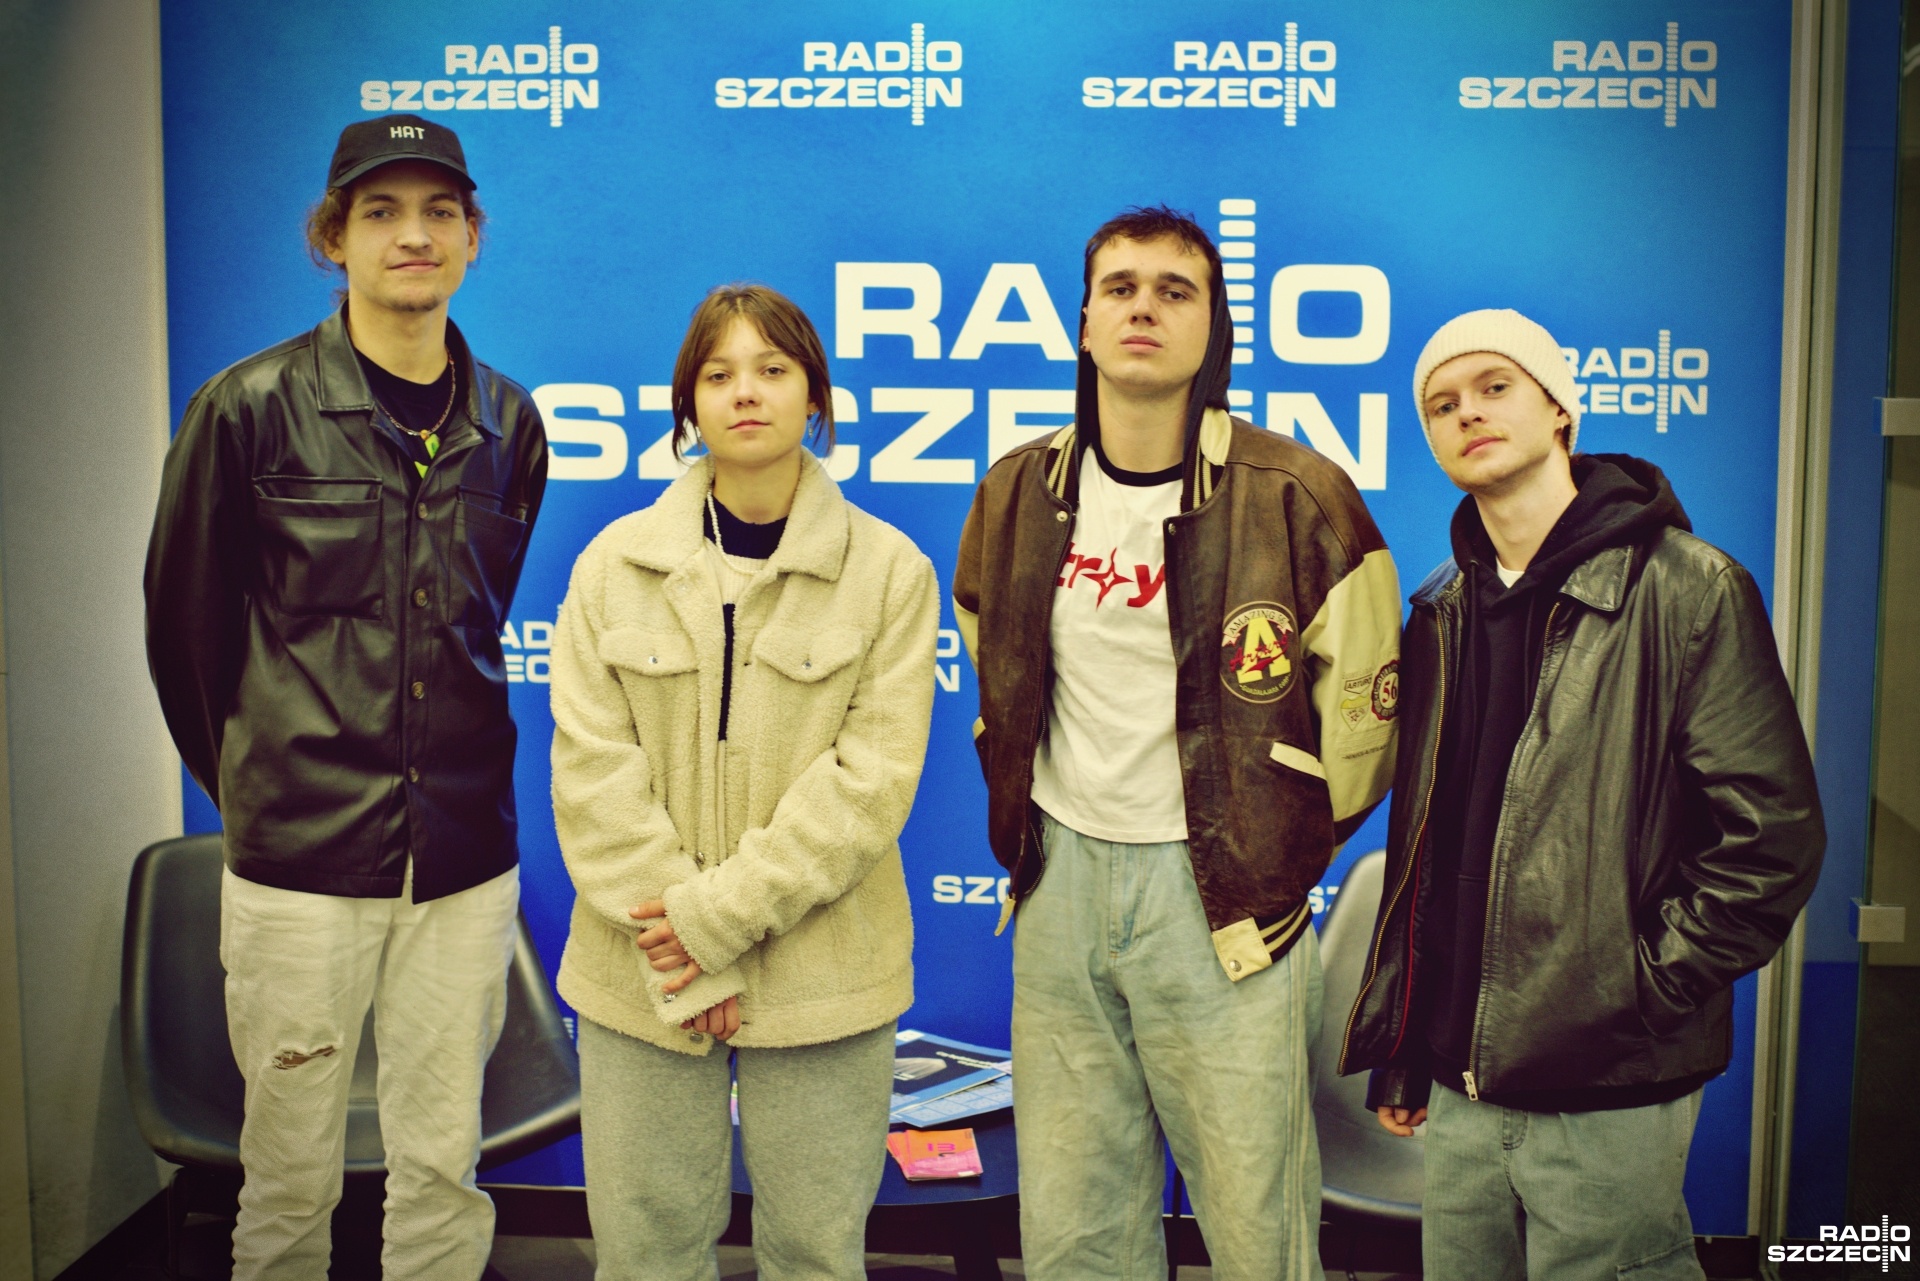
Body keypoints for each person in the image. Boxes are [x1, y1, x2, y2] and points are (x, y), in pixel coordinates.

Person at [952, 206, 1403, 1279]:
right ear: (1084, 324)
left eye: (1174, 290)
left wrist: (1273, 843)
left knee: (1256, 1227)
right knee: (1075, 1227)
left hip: (1223, 908)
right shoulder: (1017, 491)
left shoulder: (1297, 495)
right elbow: (990, 657)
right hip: (1059, 888)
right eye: (1120, 288)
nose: (1143, 308)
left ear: (1213, 328)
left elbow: (1365, 725)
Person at [1340, 309, 1825, 1281]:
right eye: (1442, 403)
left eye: (1495, 386)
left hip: (1610, 1081)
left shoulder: (1688, 590)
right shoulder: (1440, 611)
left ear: (1561, 407)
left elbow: (1771, 840)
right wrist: (1410, 1046)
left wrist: (1638, 992)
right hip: (1463, 1084)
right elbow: (1434, 849)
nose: (1468, 412)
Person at [144, 114, 548, 1280]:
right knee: (286, 1181)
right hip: (298, 868)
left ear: (471, 237)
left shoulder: (509, 424)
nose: (413, 235)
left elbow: (476, 623)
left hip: (463, 862)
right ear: (334, 237)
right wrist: (266, 784)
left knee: (443, 1167)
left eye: (438, 213)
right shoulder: (246, 407)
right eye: (381, 212)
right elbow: (186, 636)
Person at [549, 284, 938, 1281]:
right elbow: (593, 776)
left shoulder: (889, 572)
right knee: (644, 1256)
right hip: (642, 976)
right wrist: (689, 955)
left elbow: (869, 783)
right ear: (689, 404)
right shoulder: (611, 568)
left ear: (815, 396)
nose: (746, 393)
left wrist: (715, 922)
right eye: (719, 374)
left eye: (772, 369)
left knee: (816, 1254)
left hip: (823, 979)